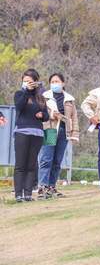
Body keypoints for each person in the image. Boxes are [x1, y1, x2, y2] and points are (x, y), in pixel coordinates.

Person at [38, 73, 80, 199]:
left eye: (57, 81)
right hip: (50, 130)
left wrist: (74, 133)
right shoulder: (45, 96)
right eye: (52, 81)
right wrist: (53, 114)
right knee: (46, 159)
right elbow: (42, 111)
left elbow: (74, 117)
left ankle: (52, 186)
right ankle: (42, 187)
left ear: (63, 83)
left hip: (64, 131)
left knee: (57, 161)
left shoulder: (69, 99)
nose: (55, 83)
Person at [14, 69, 50, 202]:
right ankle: (18, 194)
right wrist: (25, 90)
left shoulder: (40, 97)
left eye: (30, 81)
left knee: (31, 165)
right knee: (20, 164)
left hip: (37, 134)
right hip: (22, 132)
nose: (27, 83)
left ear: (36, 82)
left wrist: (42, 115)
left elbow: (46, 116)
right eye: (25, 81)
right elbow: (19, 106)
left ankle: (28, 194)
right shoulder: (19, 94)